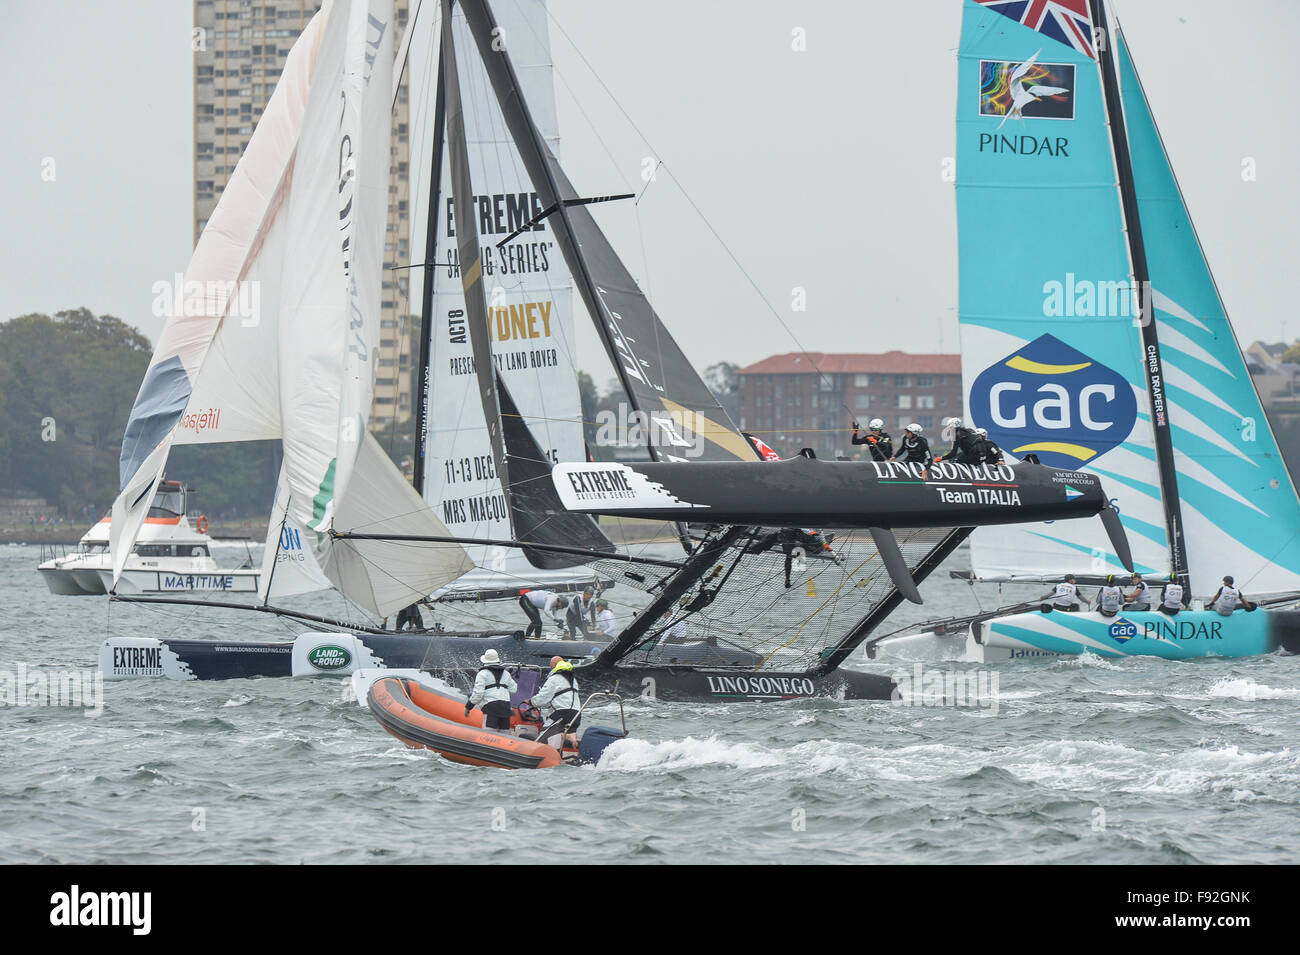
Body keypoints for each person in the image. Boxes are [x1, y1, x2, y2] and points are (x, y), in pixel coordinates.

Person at [532, 655, 581, 747]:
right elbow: (560, 698)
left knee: (543, 737)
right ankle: (568, 736)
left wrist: (531, 702)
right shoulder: (573, 680)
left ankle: (566, 737)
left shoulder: (554, 678)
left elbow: (541, 699)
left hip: (562, 714)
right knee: (556, 737)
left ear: (552, 667)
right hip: (576, 714)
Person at [466, 649, 517, 732]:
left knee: (488, 736)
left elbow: (478, 694)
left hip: (491, 708)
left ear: (484, 661)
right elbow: (513, 689)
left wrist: (469, 707)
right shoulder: (506, 673)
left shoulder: (482, 673)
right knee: (505, 736)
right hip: (505, 707)